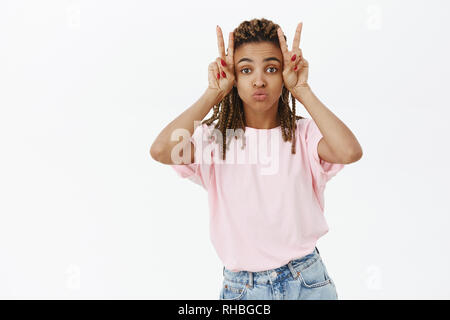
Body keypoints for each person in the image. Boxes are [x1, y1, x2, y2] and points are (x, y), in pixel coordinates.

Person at [150, 18, 363, 300]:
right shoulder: (216, 140)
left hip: (308, 282)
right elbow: (161, 150)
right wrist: (213, 93)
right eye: (246, 69)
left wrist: (303, 90)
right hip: (244, 290)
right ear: (234, 77)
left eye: (272, 68)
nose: (259, 80)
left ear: (285, 72)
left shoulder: (304, 134)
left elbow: (350, 151)